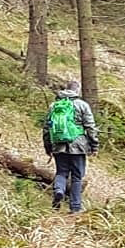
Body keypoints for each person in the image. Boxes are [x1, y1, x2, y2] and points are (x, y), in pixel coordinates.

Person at [42, 79, 99, 213]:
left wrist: (48, 147)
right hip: (78, 146)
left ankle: (59, 190)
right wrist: (94, 145)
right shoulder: (82, 105)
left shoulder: (54, 106)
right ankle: (75, 207)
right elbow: (90, 127)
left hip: (58, 145)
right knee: (77, 176)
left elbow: (46, 128)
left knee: (61, 172)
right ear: (77, 90)